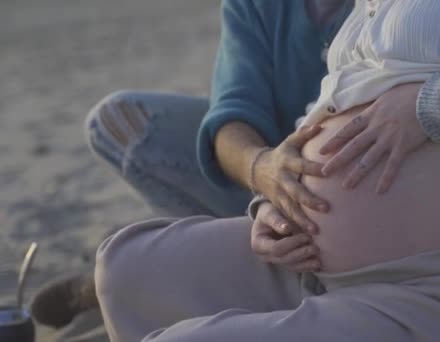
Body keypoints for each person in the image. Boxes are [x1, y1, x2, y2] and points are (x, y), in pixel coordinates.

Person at [95, 0, 440, 341]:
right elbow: (327, 111)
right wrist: (274, 204)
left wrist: (432, 109)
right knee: (125, 268)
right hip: (313, 263)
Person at [30, 0, 354, 328]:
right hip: (270, 185)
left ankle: (165, 279)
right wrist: (261, 167)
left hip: (356, 191)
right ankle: (189, 269)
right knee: (116, 122)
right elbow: (234, 109)